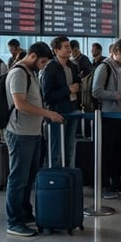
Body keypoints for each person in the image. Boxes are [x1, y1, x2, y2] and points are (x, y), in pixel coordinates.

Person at [5, 42, 64, 236]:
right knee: (18, 178)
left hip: (33, 132)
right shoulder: (18, 73)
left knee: (29, 177)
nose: (43, 66)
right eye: (42, 61)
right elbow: (20, 104)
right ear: (32, 56)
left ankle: (24, 213)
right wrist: (48, 113)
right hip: (20, 133)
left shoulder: (31, 73)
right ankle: (13, 221)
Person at [93, 39, 121, 194]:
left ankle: (116, 180)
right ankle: (105, 183)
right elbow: (96, 91)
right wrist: (118, 95)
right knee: (108, 151)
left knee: (118, 150)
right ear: (115, 52)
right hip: (108, 116)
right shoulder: (104, 68)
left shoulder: (120, 68)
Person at [41, 36, 80, 168]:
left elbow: (78, 83)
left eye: (69, 46)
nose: (70, 49)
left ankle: (68, 177)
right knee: (55, 149)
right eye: (66, 47)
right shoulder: (50, 68)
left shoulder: (72, 66)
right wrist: (68, 90)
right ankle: (55, 179)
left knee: (70, 148)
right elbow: (47, 96)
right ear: (56, 50)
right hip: (56, 113)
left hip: (73, 109)